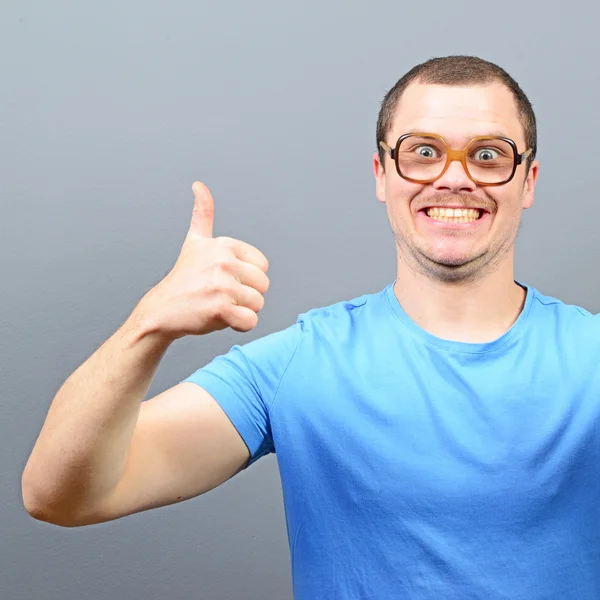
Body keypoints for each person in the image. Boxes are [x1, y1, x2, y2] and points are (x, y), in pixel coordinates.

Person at [21, 54, 600, 599]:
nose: (453, 178)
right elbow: (60, 495)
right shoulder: (298, 364)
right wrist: (148, 327)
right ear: (381, 174)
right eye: (422, 152)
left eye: (489, 154)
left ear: (527, 181)